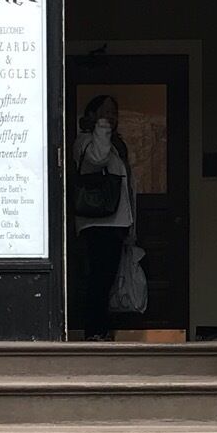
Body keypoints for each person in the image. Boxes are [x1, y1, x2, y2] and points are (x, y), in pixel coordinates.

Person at [73, 94, 135, 340]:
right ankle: (94, 332)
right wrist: (101, 128)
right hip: (97, 222)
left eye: (114, 112)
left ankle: (101, 330)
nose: (111, 117)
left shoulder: (116, 144)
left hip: (115, 222)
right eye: (105, 112)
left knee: (106, 279)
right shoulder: (85, 141)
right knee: (98, 278)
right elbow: (97, 159)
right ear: (91, 115)